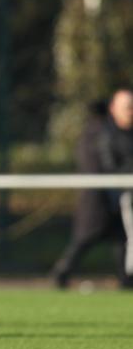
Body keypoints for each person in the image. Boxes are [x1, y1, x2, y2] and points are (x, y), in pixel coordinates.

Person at [52, 90, 133, 289]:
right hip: (99, 198)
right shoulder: (101, 134)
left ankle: (126, 280)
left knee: (121, 240)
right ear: (113, 109)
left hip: (120, 199)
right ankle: (60, 274)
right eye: (127, 107)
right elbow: (108, 166)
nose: (131, 111)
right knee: (85, 238)